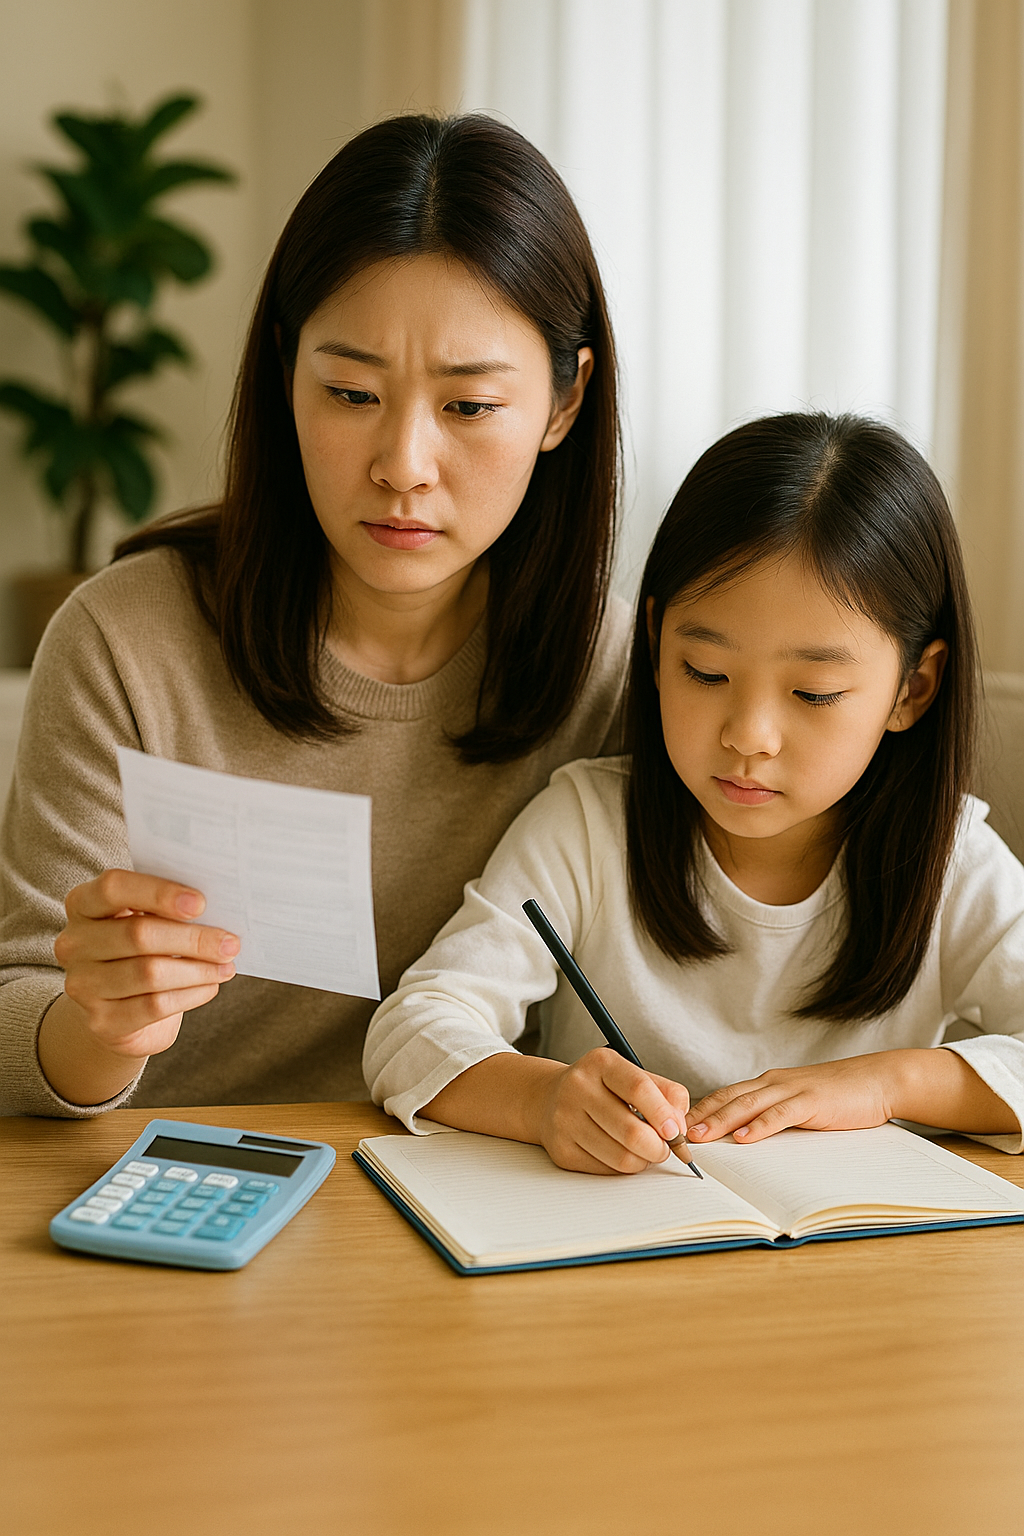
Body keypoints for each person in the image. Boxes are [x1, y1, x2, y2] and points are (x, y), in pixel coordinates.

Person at [0, 114, 631, 1116]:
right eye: (349, 391)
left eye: (468, 408)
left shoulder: (616, 673)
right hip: (171, 1189)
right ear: (286, 373)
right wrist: (99, 1024)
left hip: (470, 1193)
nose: (402, 466)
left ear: (564, 402)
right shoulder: (128, 641)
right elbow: (19, 1008)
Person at [364, 412, 1024, 1173]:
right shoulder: (587, 827)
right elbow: (412, 1029)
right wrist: (542, 1100)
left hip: (856, 1275)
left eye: (813, 693)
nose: (748, 735)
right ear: (653, 640)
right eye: (705, 674)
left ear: (912, 688)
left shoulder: (952, 862)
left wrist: (889, 1083)